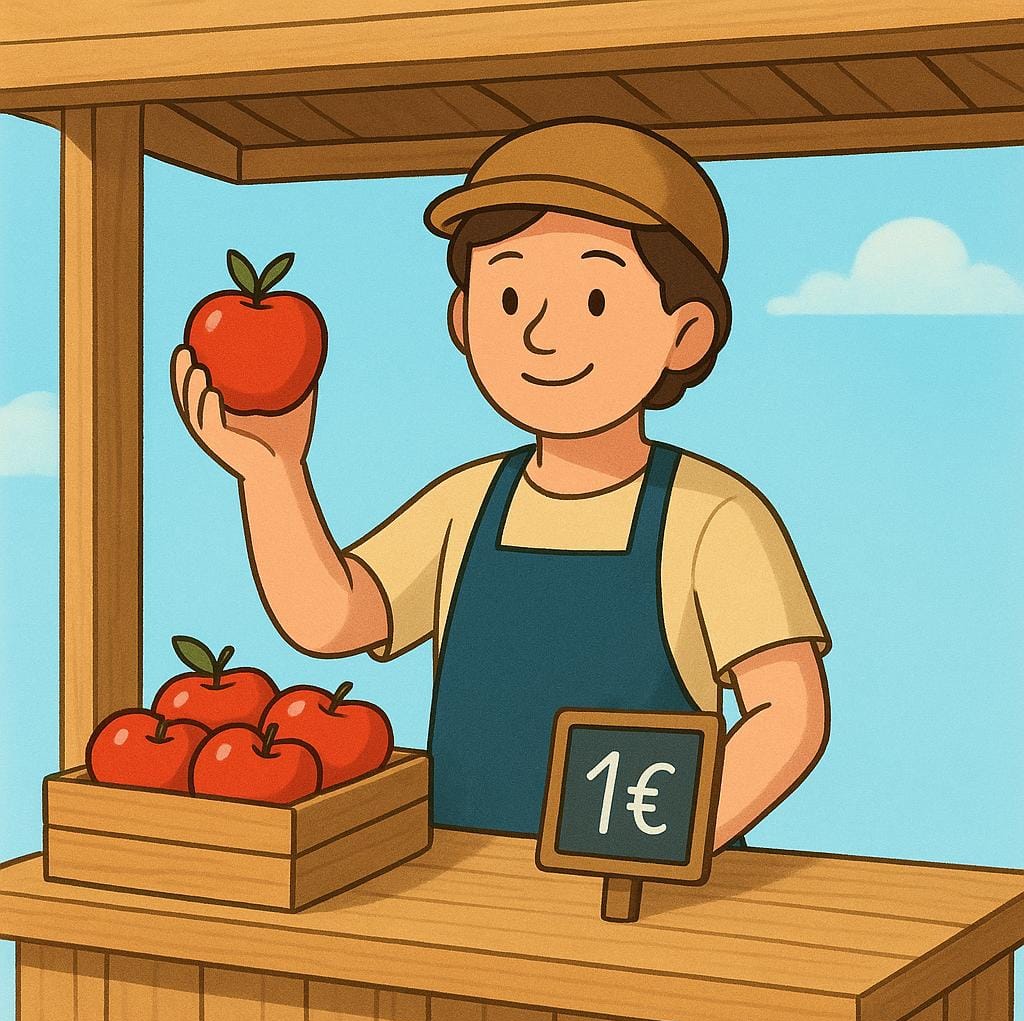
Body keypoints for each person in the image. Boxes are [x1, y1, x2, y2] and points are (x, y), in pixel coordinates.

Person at [172, 118, 831, 849]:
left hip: (640, 900)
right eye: (510, 298)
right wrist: (272, 473)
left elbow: (789, 713)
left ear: (686, 333)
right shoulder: (469, 502)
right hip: (460, 879)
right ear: (462, 318)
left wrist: (663, 843)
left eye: (594, 301)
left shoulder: (711, 516)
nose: (542, 335)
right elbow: (334, 619)